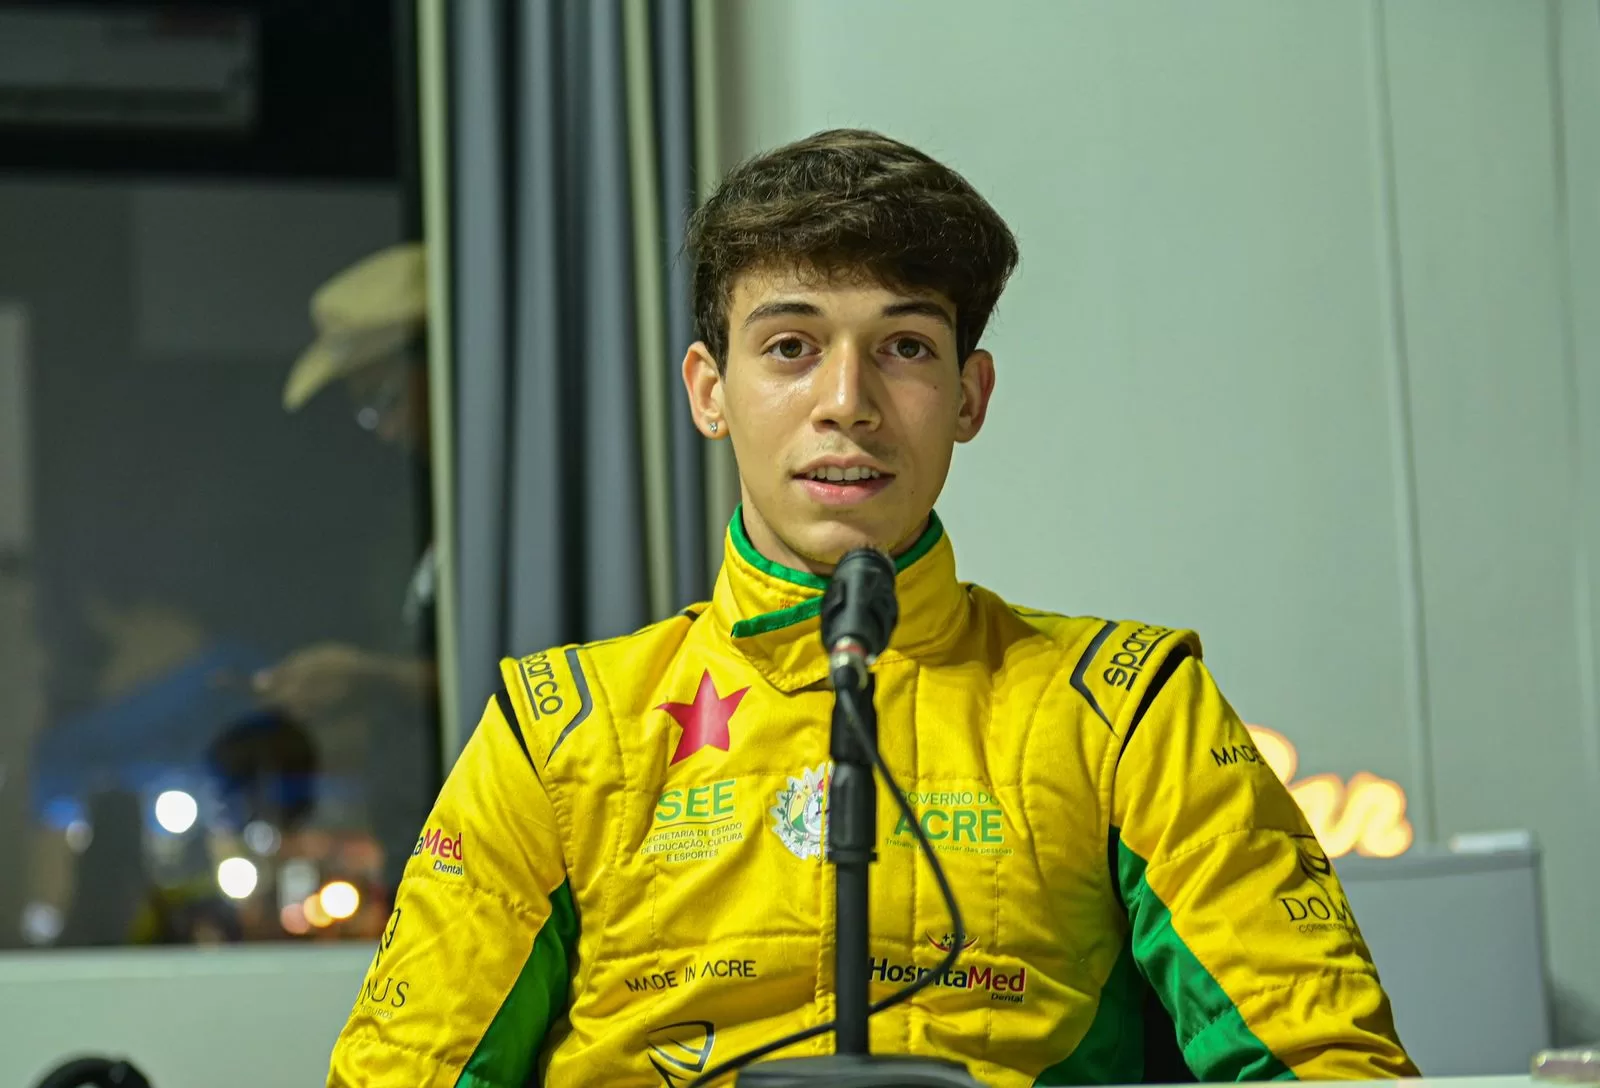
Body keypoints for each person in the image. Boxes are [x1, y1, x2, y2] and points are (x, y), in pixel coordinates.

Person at [327, 131, 1418, 1086]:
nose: (847, 403)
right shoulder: (559, 729)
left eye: (904, 348)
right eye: (790, 348)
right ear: (709, 391)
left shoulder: (1126, 709)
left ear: (968, 397)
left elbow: (1327, 1063)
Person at [257, 242, 438, 895]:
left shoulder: (508, 518)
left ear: (442, 360)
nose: (385, 429)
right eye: (367, 411)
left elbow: (524, 680)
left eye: (385, 397)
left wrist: (366, 675)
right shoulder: (420, 519)